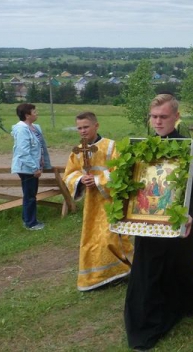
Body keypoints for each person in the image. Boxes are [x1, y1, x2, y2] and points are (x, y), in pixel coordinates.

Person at [124, 94, 193, 351]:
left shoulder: (189, 148)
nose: (158, 121)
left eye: (163, 117)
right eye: (154, 117)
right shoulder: (143, 148)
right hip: (150, 224)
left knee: (181, 268)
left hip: (180, 225)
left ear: (176, 117)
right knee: (147, 273)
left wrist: (190, 215)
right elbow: (135, 187)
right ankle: (147, 328)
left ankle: (189, 303)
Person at [63, 112, 133, 291]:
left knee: (110, 235)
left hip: (110, 201)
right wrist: (80, 180)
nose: (83, 131)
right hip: (91, 203)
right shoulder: (78, 150)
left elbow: (120, 171)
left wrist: (96, 180)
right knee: (92, 238)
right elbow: (69, 174)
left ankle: (120, 270)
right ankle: (99, 274)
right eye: (79, 128)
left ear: (96, 126)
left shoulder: (110, 146)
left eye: (86, 127)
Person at [11, 103, 52, 230]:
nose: (37, 113)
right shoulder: (22, 129)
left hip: (32, 167)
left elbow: (40, 147)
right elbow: (23, 152)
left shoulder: (34, 127)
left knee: (30, 194)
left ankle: (27, 219)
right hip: (27, 168)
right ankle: (31, 223)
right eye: (34, 112)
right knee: (30, 196)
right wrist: (35, 168)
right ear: (27, 115)